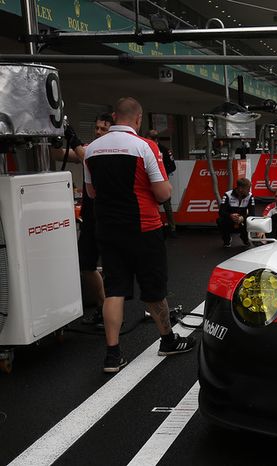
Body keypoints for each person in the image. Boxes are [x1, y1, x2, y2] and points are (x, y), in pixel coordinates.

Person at [84, 97, 195, 373]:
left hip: (108, 228)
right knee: (154, 289)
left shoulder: (91, 150)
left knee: (115, 290)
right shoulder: (145, 146)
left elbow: (91, 193)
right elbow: (163, 193)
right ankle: (168, 340)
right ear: (138, 119)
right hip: (143, 228)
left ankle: (112, 355)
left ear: (113, 116)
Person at [52, 114, 113, 327]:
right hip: (90, 216)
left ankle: (111, 313)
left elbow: (86, 156)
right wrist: (55, 137)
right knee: (86, 264)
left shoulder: (111, 151)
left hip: (109, 216)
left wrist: (74, 137)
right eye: (96, 128)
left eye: (103, 129)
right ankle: (102, 307)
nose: (97, 132)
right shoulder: (89, 148)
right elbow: (60, 154)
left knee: (115, 267)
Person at [146, 129, 177, 238]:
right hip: (148, 183)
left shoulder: (165, 150)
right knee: (151, 205)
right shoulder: (145, 149)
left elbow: (173, 166)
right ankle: (155, 229)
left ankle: (173, 229)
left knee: (167, 205)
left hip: (162, 182)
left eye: (149, 139)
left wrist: (162, 172)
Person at [217, 177, 255, 248]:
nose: (249, 190)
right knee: (220, 220)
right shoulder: (227, 195)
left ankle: (245, 238)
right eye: (248, 188)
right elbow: (221, 212)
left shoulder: (250, 196)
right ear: (240, 188)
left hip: (242, 220)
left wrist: (242, 218)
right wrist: (230, 215)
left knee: (251, 220)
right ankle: (227, 239)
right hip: (230, 219)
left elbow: (252, 213)